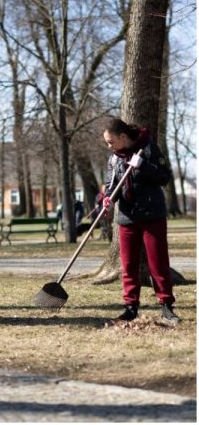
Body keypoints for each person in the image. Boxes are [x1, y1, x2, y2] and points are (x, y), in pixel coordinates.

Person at [101, 117, 177, 324]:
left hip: (152, 214)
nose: (109, 146)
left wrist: (142, 165)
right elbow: (110, 184)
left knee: (158, 263)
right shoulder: (114, 159)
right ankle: (130, 307)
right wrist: (108, 197)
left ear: (123, 136)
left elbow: (164, 177)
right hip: (127, 217)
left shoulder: (149, 149)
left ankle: (167, 306)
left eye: (111, 141)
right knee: (129, 265)